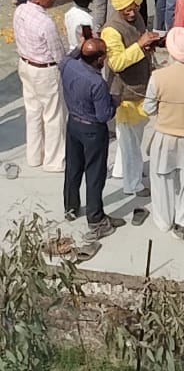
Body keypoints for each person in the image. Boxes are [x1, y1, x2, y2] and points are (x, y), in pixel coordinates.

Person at [143, 27, 184, 240]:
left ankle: (164, 221)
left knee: (161, 179)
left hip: (165, 136)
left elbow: (148, 108)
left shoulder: (158, 76)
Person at [61, 38, 123, 238]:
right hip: (93, 130)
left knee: (73, 167)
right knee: (95, 174)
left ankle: (71, 207)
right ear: (99, 60)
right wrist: (115, 102)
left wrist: (81, 45)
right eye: (104, 54)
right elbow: (104, 115)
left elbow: (70, 56)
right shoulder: (97, 83)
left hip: (73, 123)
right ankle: (95, 218)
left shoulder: (68, 65)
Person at [102, 0, 160, 199]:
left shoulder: (137, 18)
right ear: (119, 8)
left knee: (132, 139)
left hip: (140, 87)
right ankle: (133, 184)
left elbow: (141, 41)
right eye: (127, 9)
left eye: (135, 7)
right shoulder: (111, 30)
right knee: (130, 144)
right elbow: (116, 63)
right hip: (124, 94)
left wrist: (149, 44)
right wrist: (140, 45)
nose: (132, 12)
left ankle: (124, 171)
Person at [14, 0, 68, 171]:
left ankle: (34, 155)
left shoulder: (20, 10)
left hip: (25, 65)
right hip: (45, 71)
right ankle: (54, 161)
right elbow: (58, 53)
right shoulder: (46, 23)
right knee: (53, 116)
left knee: (33, 111)